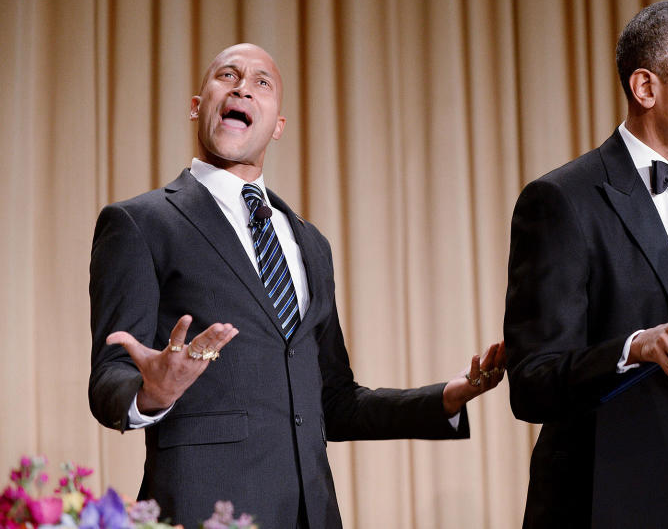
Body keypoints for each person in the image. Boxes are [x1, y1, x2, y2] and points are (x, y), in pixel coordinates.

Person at [88, 43, 506, 528]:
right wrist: (152, 393)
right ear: (197, 106)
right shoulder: (140, 223)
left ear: (277, 126)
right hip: (204, 509)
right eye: (227, 75)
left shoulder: (310, 242)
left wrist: (444, 399)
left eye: (261, 82)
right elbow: (109, 379)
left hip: (311, 513)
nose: (243, 86)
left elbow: (335, 401)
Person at [503, 1, 668, 527]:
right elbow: (532, 380)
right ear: (646, 88)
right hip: (602, 497)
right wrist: (631, 349)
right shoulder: (561, 200)